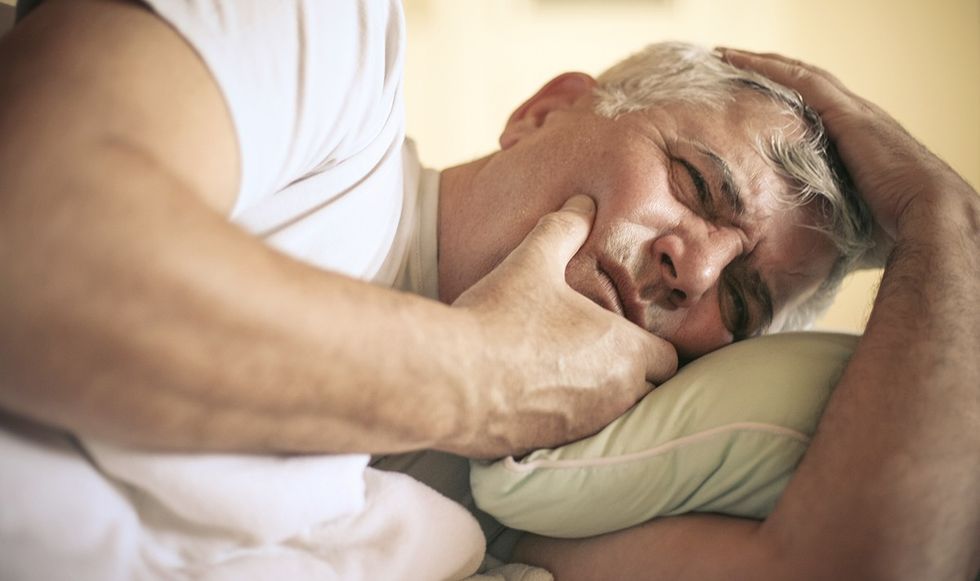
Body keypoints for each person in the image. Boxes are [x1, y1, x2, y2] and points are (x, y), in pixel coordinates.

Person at [0, 1, 976, 580]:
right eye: (691, 184)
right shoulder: (323, 49)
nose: (696, 270)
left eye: (748, 301)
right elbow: (30, 238)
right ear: (544, 110)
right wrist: (484, 374)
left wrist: (942, 222)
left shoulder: (536, 493)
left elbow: (854, 566)